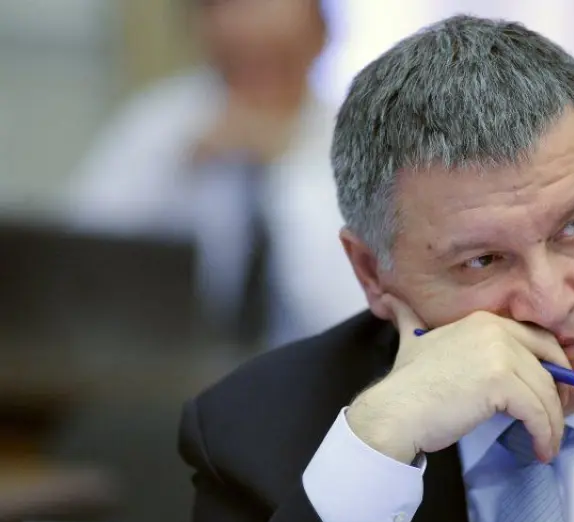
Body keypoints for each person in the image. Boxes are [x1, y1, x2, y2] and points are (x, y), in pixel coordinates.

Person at [178, 15, 574, 522]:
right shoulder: (255, 435)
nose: (550, 303)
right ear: (371, 272)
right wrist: (377, 449)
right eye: (482, 261)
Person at [67, 0, 364, 347]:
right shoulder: (160, 125)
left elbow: (348, 308)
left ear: (320, 37)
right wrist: (178, 168)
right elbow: (80, 263)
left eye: (275, 58)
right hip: (169, 363)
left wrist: (287, 169)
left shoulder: (358, 142)